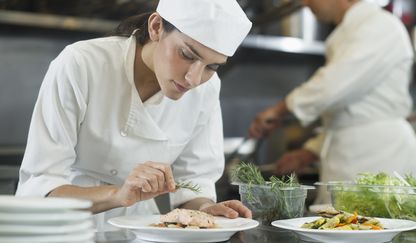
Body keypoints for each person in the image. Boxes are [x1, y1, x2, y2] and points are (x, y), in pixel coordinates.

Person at [16, 0, 252, 231]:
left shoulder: (206, 89)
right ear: (156, 27)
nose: (193, 78)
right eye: (187, 54)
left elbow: (195, 182)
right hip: (61, 227)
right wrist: (118, 195)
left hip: (139, 230)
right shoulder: (81, 63)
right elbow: (41, 187)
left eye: (212, 67)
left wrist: (205, 208)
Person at [249, 0, 416, 203]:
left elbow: (332, 85)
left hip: (380, 156)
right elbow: (349, 112)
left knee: (371, 226)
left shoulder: (380, 25)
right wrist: (311, 151)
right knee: (341, 225)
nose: (303, 2)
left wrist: (279, 109)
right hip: (353, 154)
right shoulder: (351, 29)